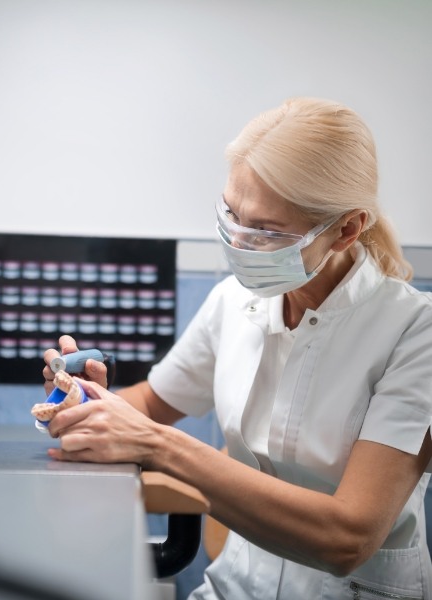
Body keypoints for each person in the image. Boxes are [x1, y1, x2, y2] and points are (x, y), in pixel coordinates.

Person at [42, 97, 432, 599]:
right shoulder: (233, 301)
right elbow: (150, 404)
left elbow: (348, 537)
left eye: (267, 231)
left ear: (347, 229)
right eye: (232, 214)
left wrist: (157, 445)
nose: (240, 244)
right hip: (235, 587)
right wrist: (83, 398)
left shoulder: (414, 331)